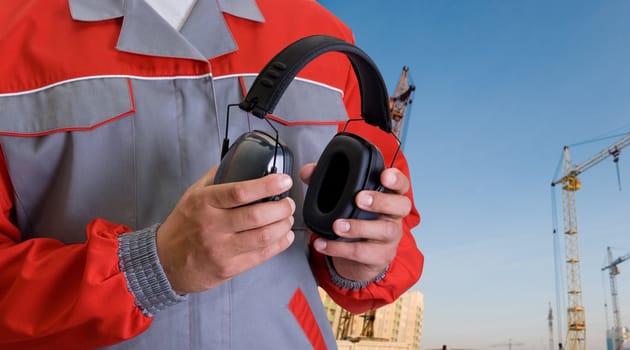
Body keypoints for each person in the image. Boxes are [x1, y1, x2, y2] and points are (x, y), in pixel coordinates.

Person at [0, 0, 424, 349]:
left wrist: (363, 260)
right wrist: (147, 269)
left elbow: (393, 234)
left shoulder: (324, 37)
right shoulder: (9, 32)